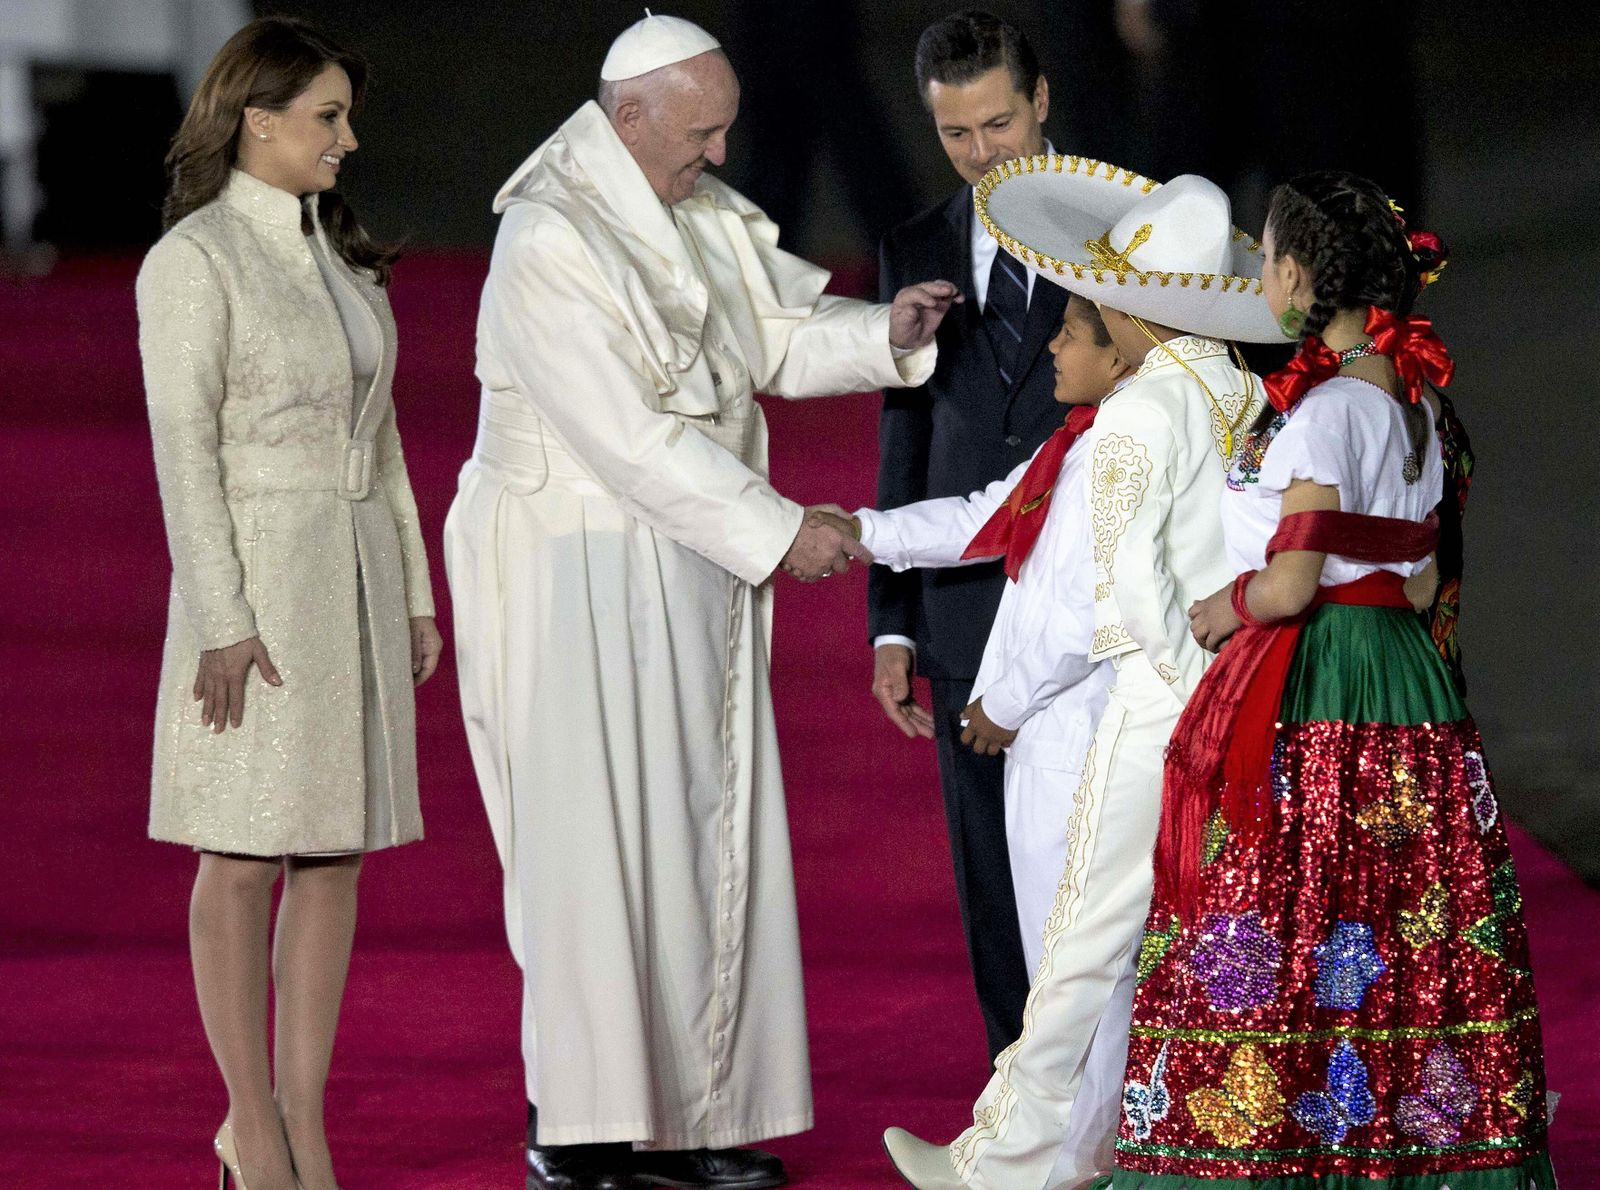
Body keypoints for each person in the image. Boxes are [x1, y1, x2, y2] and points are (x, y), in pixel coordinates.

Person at [441, 14, 955, 1190]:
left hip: (676, 561)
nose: (719, 154)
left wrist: (883, 332)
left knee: (692, 833)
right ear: (630, 119)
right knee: (593, 849)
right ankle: (578, 1134)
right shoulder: (549, 236)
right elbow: (623, 436)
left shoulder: (682, 200)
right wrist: (783, 530)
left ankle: (681, 1116)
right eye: (701, 131)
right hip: (568, 568)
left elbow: (761, 333)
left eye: (723, 127)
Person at [1108, 171, 1555, 1188]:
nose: (1259, 274)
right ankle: (1405, 1143)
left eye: (1267, 257)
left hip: (1322, 680)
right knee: (1406, 915)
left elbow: (1290, 581)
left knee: (1290, 905)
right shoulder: (1417, 402)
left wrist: (1225, 606)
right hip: (1405, 678)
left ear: (1303, 277)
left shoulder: (1322, 415)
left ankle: (1285, 1148)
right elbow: (1430, 568)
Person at [883, 166, 1277, 1190]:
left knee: (1076, 950)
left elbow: (1120, 589)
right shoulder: (1234, 387)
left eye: (1092, 305)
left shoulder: (1137, 416)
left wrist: (1176, 671)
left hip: (1148, 701)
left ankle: (1007, 1161)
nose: (1074, 323)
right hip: (1224, 692)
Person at [135, 18, 439, 1190]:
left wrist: (412, 593)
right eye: (327, 117)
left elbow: (388, 441)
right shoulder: (196, 261)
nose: (347, 139)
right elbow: (182, 450)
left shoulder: (341, 259)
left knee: (332, 852)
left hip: (351, 576)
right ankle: (248, 1125)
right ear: (257, 120)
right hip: (257, 582)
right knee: (244, 852)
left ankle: (304, 1124)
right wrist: (221, 616)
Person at [871, 9, 1068, 1062]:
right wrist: (888, 625)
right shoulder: (914, 245)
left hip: (1091, 606)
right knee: (987, 873)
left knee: (1095, 866)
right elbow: (902, 436)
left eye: (998, 123)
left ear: (1041, 102)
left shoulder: (1125, 235)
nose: (983, 152)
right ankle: (1018, 1103)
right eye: (957, 134)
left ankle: (1124, 1109)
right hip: (961, 612)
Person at [850, 294, 1128, 984]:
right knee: (1055, 970)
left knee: (1079, 982)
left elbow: (1095, 605)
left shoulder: (1124, 446)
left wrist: (1002, 702)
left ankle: (1072, 1099)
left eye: (1067, 335)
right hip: (1051, 736)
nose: (1053, 351)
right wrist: (861, 532)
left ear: (1119, 350)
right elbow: (988, 518)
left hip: (1076, 733)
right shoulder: (1082, 439)